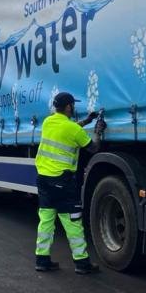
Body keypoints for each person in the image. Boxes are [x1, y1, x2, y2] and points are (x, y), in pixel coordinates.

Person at [34, 92, 106, 274]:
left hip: (43, 179)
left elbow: (69, 130)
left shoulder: (48, 122)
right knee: (72, 222)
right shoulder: (73, 130)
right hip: (62, 182)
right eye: (73, 105)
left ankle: (42, 260)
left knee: (46, 221)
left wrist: (87, 121)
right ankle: (82, 263)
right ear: (68, 107)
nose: (74, 108)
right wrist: (98, 130)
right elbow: (93, 147)